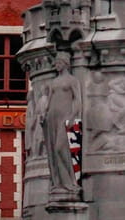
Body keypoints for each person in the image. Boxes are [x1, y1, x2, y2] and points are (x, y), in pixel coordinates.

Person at [41, 54, 81, 200]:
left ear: (65, 63)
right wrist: (43, 113)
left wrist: (73, 116)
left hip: (65, 117)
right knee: (53, 150)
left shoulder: (72, 80)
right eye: (55, 63)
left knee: (60, 148)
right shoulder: (53, 82)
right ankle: (58, 182)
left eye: (58, 62)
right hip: (52, 118)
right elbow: (49, 100)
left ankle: (70, 181)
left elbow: (78, 99)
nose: (56, 65)